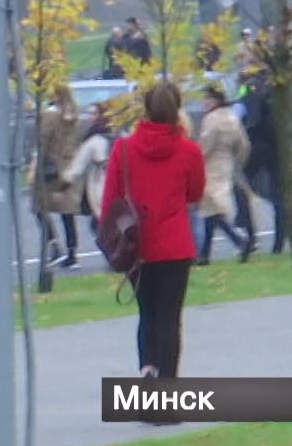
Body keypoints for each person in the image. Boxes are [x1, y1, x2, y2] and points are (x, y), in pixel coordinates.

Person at [100, 82, 206, 380]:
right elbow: (195, 193)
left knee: (147, 315)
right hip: (175, 246)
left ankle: (147, 372)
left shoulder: (123, 149)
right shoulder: (189, 150)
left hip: (138, 246)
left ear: (145, 110)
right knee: (169, 320)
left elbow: (111, 200)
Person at [195, 84, 254, 265]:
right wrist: (237, 162)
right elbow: (243, 144)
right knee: (211, 208)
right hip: (227, 164)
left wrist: (195, 161)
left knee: (213, 207)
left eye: (207, 98)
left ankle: (239, 240)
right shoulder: (232, 117)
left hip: (210, 166)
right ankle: (205, 254)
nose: (204, 102)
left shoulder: (211, 120)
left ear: (215, 100)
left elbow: (205, 145)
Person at [34, 86, 85, 268]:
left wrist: (37, 165)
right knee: (67, 212)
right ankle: (72, 253)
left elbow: (44, 142)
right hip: (69, 165)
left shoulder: (50, 116)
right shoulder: (74, 116)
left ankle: (53, 244)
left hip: (51, 167)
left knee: (39, 207)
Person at [239, 73, 284, 255]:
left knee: (241, 187)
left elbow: (249, 117)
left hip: (258, 147)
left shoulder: (251, 86)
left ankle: (249, 234)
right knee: (279, 198)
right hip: (277, 147)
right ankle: (278, 243)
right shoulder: (278, 85)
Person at [62, 103, 115, 238]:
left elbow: (77, 168)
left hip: (99, 187)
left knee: (99, 227)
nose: (90, 117)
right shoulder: (118, 135)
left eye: (93, 113)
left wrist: (63, 180)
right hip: (118, 187)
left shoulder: (93, 140)